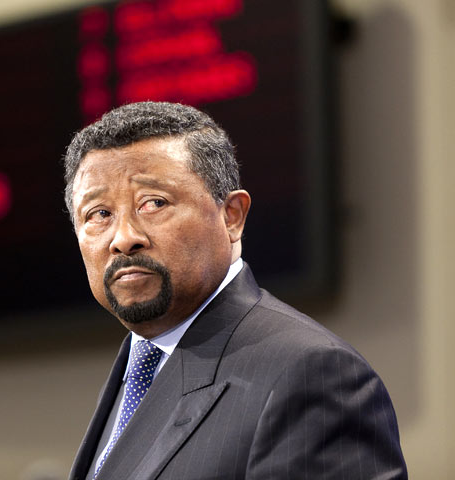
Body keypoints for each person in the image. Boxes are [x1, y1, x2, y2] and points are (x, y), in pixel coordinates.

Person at [63, 101, 406, 480]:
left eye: (154, 203)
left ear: (232, 216)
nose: (124, 238)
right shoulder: (137, 372)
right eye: (99, 214)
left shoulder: (312, 374)